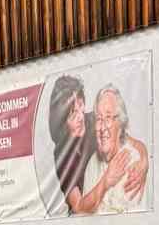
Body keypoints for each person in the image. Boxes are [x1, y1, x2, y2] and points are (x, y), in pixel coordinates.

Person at [47, 74, 148, 215]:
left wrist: (143, 162)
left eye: (81, 105)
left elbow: (133, 142)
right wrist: (107, 180)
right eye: (72, 113)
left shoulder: (94, 120)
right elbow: (78, 207)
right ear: (61, 120)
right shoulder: (62, 154)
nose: (80, 116)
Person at [81, 86, 149, 215]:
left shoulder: (134, 165)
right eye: (99, 119)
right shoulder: (92, 162)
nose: (102, 127)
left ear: (120, 123)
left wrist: (144, 158)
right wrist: (106, 181)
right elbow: (81, 214)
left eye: (108, 117)